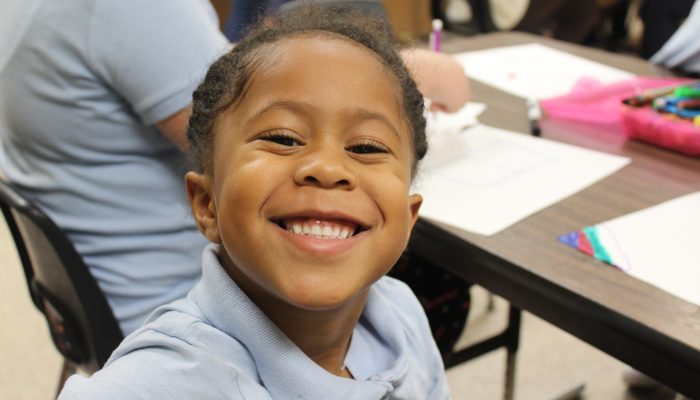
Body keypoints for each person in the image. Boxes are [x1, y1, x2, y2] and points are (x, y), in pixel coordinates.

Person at [0, 0, 468, 336]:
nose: (327, 168)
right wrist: (416, 71)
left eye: (365, 146)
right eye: (285, 140)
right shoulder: (134, 9)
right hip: (163, 294)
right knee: (441, 278)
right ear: (201, 202)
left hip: (88, 285)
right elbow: (239, 111)